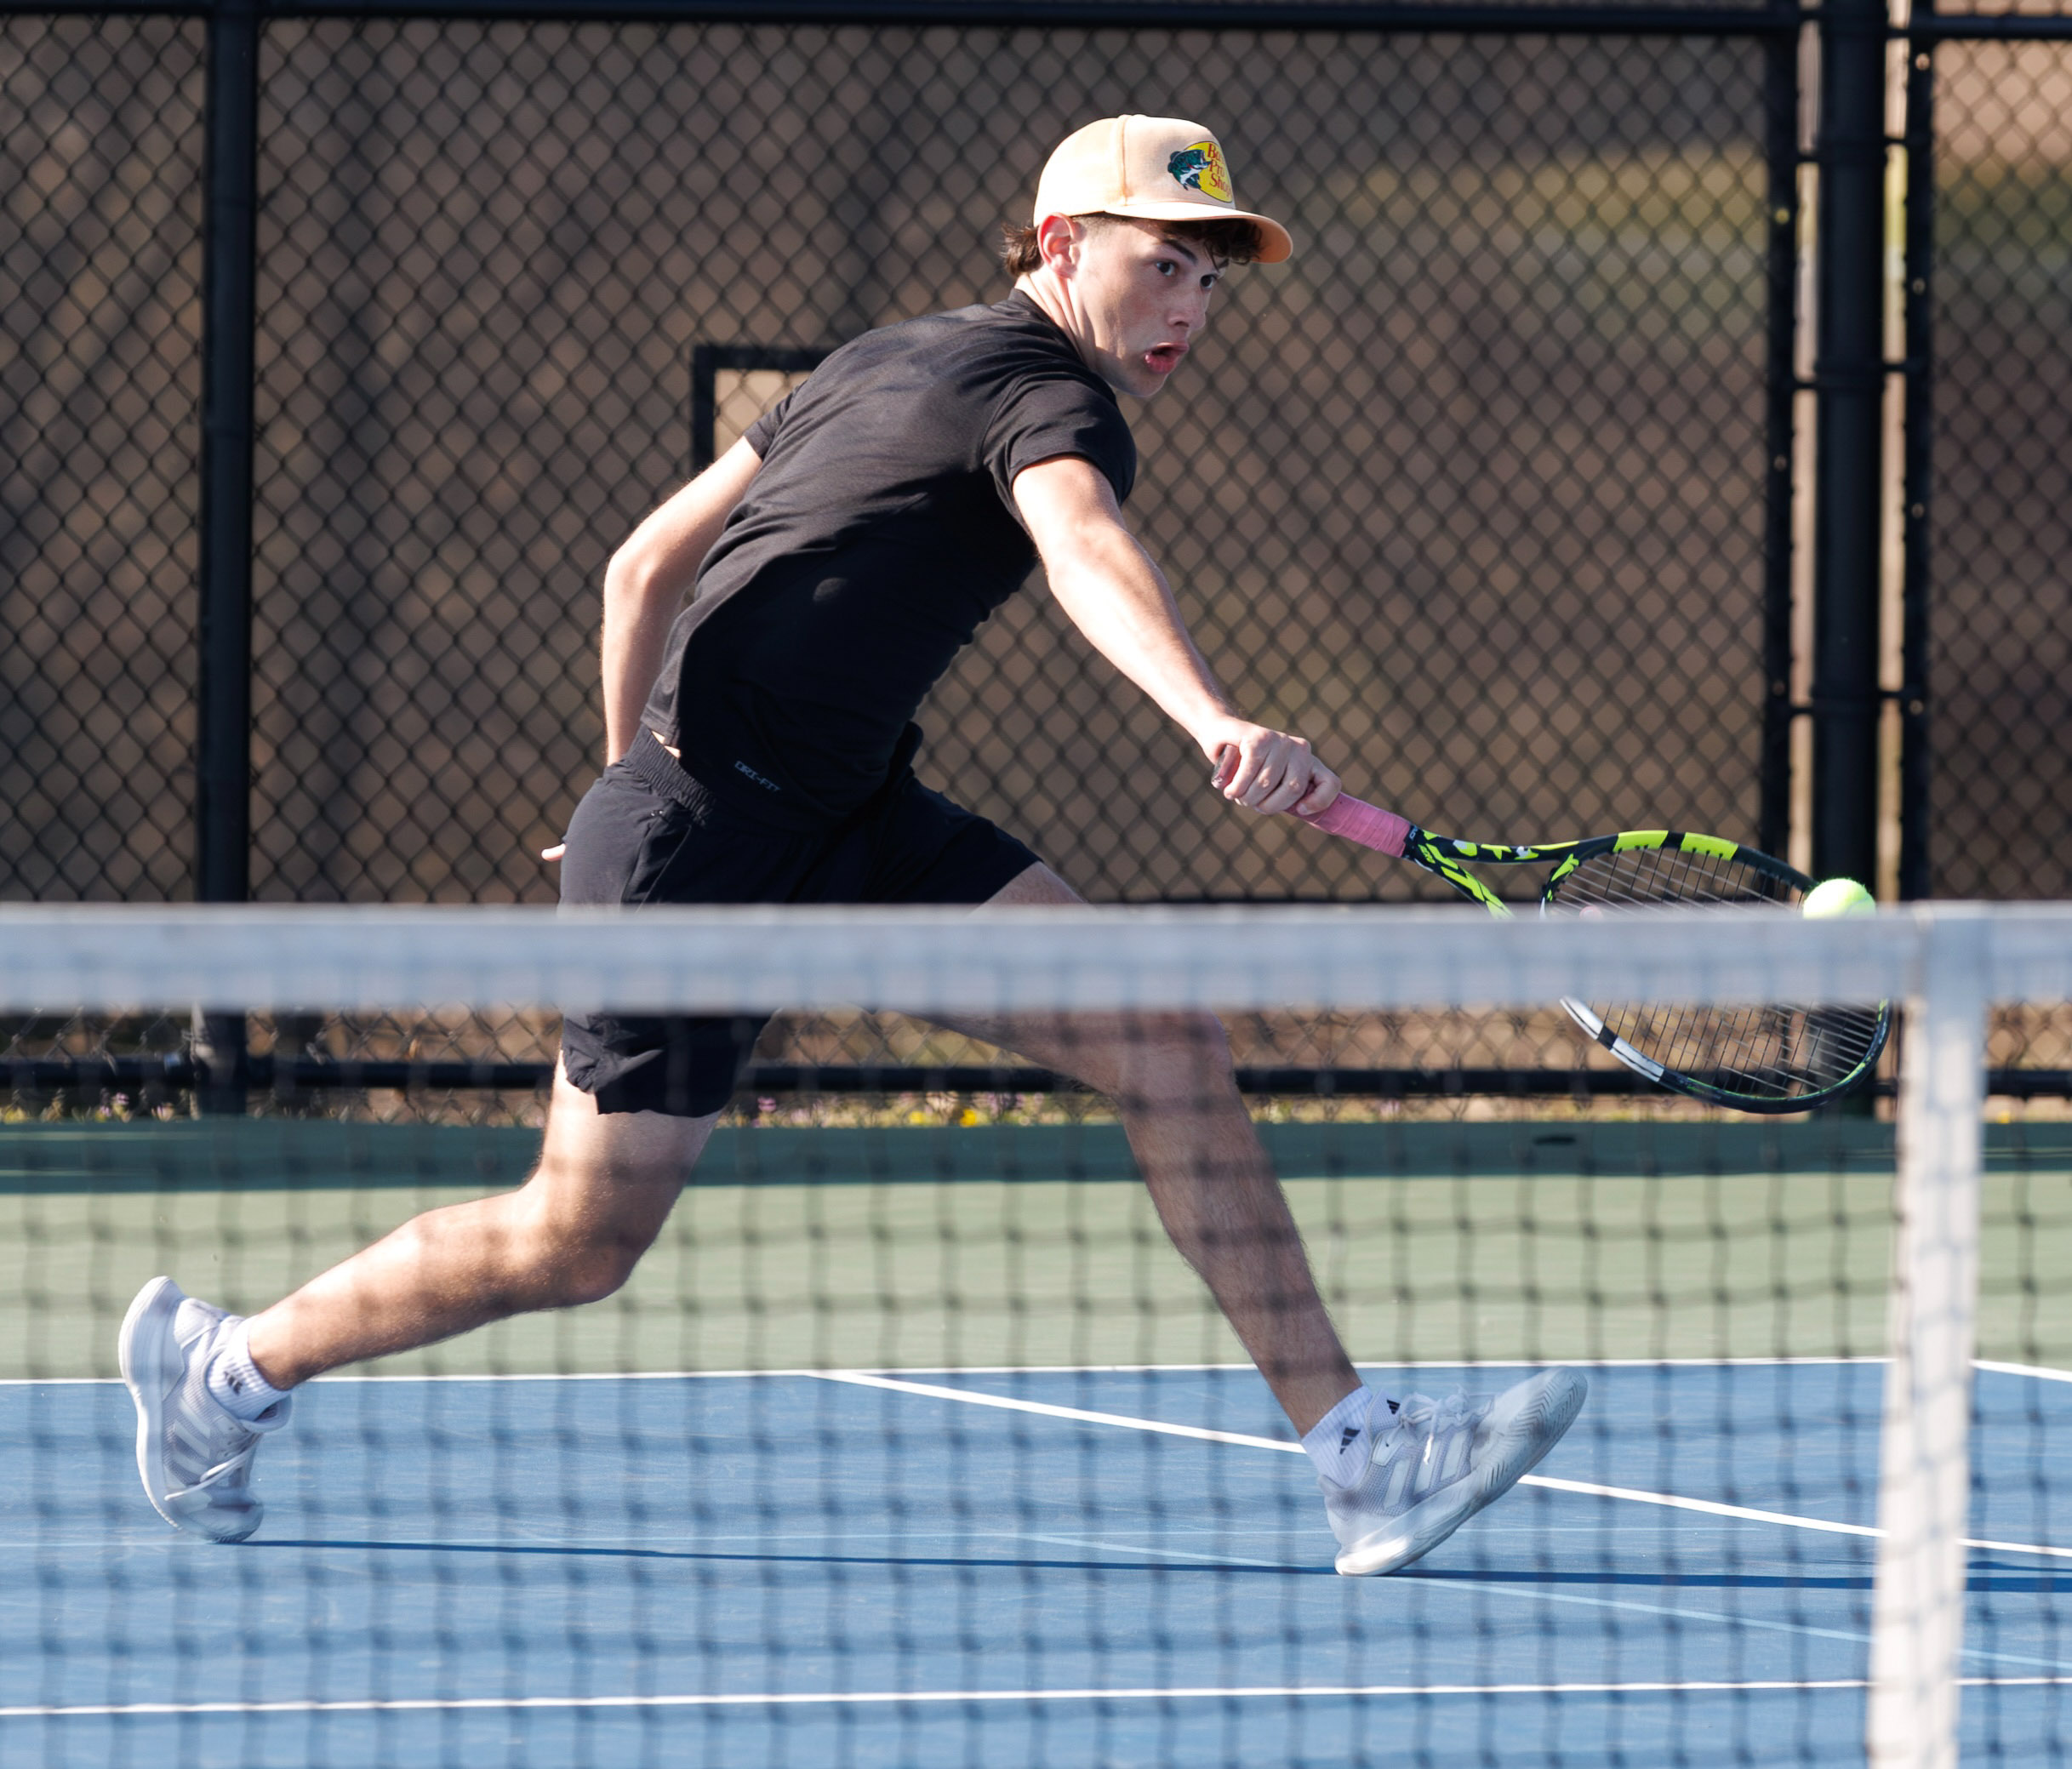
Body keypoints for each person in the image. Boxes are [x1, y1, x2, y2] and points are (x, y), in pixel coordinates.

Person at [118, 115, 1583, 1574]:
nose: (1191, 306)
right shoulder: (1052, 403)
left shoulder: (873, 358)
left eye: (1212, 278)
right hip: (702, 850)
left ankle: (1359, 1456)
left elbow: (641, 565)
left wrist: (624, 774)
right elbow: (1080, 544)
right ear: (1062, 245)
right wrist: (1209, 715)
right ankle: (225, 1374)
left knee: (1162, 1035)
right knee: (576, 1241)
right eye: (1164, 264)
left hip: (848, 817)